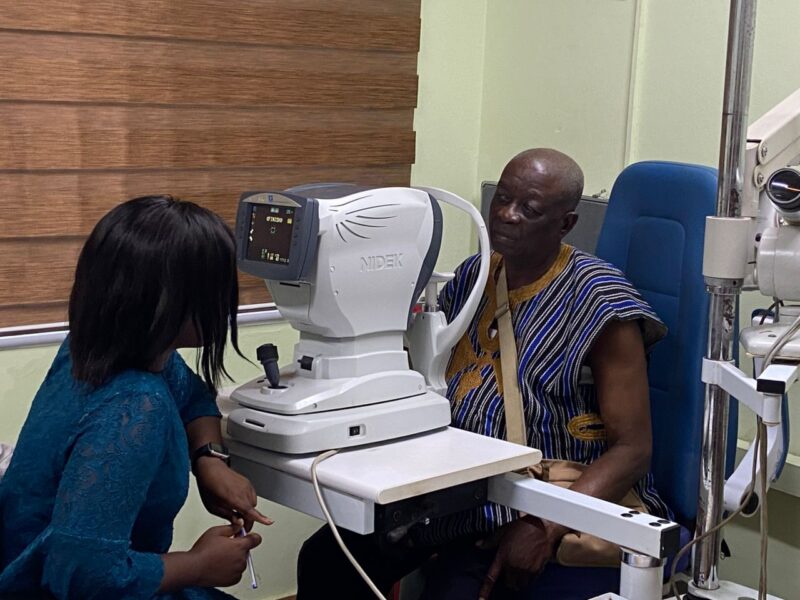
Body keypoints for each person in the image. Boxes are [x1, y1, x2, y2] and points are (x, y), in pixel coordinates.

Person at [295, 148, 674, 599]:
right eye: (503, 199)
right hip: (454, 490)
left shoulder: (601, 302)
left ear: (566, 224)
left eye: (529, 209)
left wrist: (545, 523)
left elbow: (633, 450)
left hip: (534, 497)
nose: (507, 215)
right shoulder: (474, 275)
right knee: (325, 559)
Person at [0, 196, 271, 599]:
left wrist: (209, 460)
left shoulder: (92, 350)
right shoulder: (134, 406)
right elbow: (81, 576)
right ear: (169, 301)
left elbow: (193, 397)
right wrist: (198, 565)